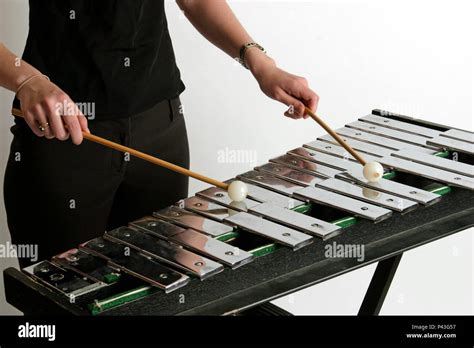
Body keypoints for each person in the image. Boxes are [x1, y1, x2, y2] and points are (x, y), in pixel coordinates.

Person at [0, 0, 319, 268]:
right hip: (63, 141)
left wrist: (260, 62)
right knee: (67, 299)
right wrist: (29, 81)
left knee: (167, 291)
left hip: (160, 132)